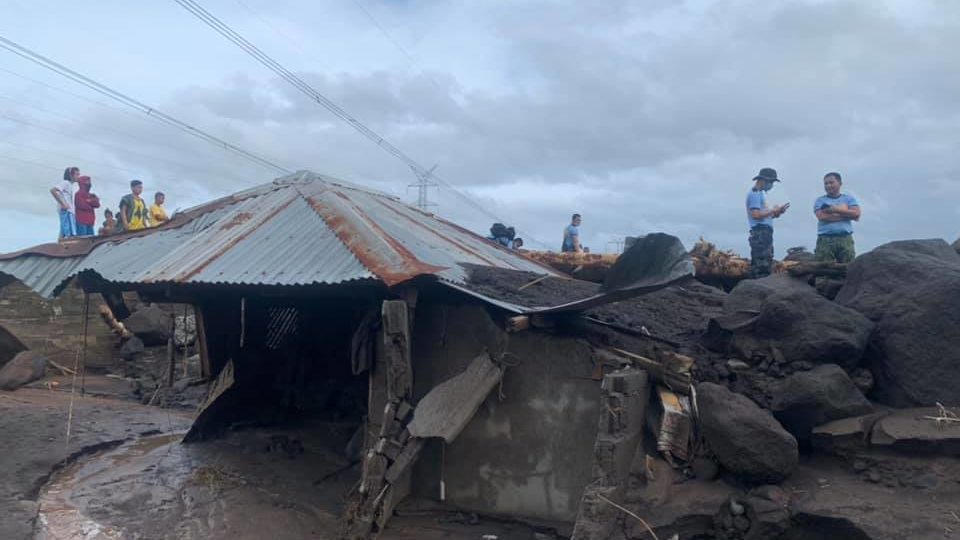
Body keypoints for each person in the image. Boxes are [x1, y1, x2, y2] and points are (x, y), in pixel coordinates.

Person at [746, 168, 789, 278]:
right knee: (761, 265)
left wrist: (777, 212)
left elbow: (764, 216)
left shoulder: (761, 194)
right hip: (760, 232)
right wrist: (773, 210)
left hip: (764, 231)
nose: (772, 185)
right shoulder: (755, 193)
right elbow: (755, 215)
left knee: (766, 261)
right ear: (763, 180)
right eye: (771, 182)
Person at [813, 172, 860, 263]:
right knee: (824, 269)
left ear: (840, 183)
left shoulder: (848, 199)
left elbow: (857, 213)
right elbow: (822, 217)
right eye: (826, 183)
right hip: (825, 240)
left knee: (847, 268)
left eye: (831, 182)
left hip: (845, 238)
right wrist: (848, 215)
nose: (828, 185)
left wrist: (834, 209)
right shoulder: (820, 201)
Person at [50, 166, 79, 240]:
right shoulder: (66, 183)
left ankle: (57, 247)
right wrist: (63, 204)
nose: (78, 176)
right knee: (69, 233)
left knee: (63, 232)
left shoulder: (71, 185)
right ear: (71, 175)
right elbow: (53, 190)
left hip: (69, 211)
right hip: (66, 211)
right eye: (76, 174)